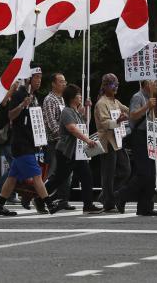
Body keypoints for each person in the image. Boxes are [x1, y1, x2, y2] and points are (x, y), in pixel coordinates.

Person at [0, 73, 59, 216]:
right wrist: (23, 105)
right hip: (21, 143)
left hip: (30, 142)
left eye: (41, 77)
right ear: (29, 79)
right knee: (36, 174)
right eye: (36, 77)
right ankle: (49, 203)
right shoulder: (19, 94)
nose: (39, 81)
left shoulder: (35, 97)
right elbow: (10, 115)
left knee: (12, 177)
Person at [45, 84, 103, 213]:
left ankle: (88, 205)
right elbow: (72, 129)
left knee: (87, 176)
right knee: (58, 178)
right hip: (66, 152)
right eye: (78, 95)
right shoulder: (66, 111)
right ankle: (39, 197)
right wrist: (87, 140)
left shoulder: (75, 111)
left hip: (77, 153)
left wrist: (87, 109)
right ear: (72, 98)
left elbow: (84, 125)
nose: (80, 97)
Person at [119, 79, 157, 216]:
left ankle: (145, 206)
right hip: (139, 135)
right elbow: (133, 115)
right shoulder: (138, 96)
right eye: (155, 82)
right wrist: (147, 106)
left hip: (149, 134)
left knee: (151, 173)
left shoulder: (150, 97)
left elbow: (152, 119)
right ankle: (121, 195)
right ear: (147, 84)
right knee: (144, 172)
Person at [94, 73, 131, 212]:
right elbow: (103, 123)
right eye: (112, 84)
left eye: (117, 84)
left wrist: (143, 107)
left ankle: (105, 195)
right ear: (105, 86)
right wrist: (118, 121)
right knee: (108, 173)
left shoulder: (115, 101)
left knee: (126, 170)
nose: (115, 87)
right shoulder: (101, 102)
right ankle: (108, 202)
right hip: (107, 141)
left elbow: (129, 110)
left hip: (117, 139)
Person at [42, 72, 72, 210]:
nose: (64, 84)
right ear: (53, 83)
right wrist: (62, 137)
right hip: (55, 142)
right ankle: (40, 197)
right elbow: (51, 122)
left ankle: (63, 200)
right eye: (61, 81)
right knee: (53, 173)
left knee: (65, 172)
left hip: (65, 142)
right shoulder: (50, 100)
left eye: (65, 81)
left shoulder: (64, 99)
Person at [0, 78, 22, 203]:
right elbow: (4, 103)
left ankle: (10, 193)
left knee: (15, 167)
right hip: (7, 140)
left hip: (14, 139)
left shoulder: (14, 100)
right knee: (16, 165)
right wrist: (11, 90)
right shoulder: (3, 101)